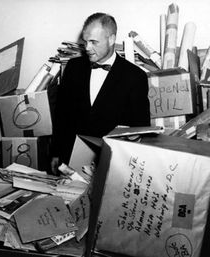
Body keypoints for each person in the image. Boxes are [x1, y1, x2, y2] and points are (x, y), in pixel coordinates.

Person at [50, 12, 151, 173]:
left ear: (111, 39)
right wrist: (56, 152)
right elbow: (61, 115)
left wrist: (134, 137)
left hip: (113, 167)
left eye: (93, 42)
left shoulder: (135, 76)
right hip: (71, 163)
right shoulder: (73, 67)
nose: (87, 48)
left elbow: (141, 126)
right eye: (85, 42)